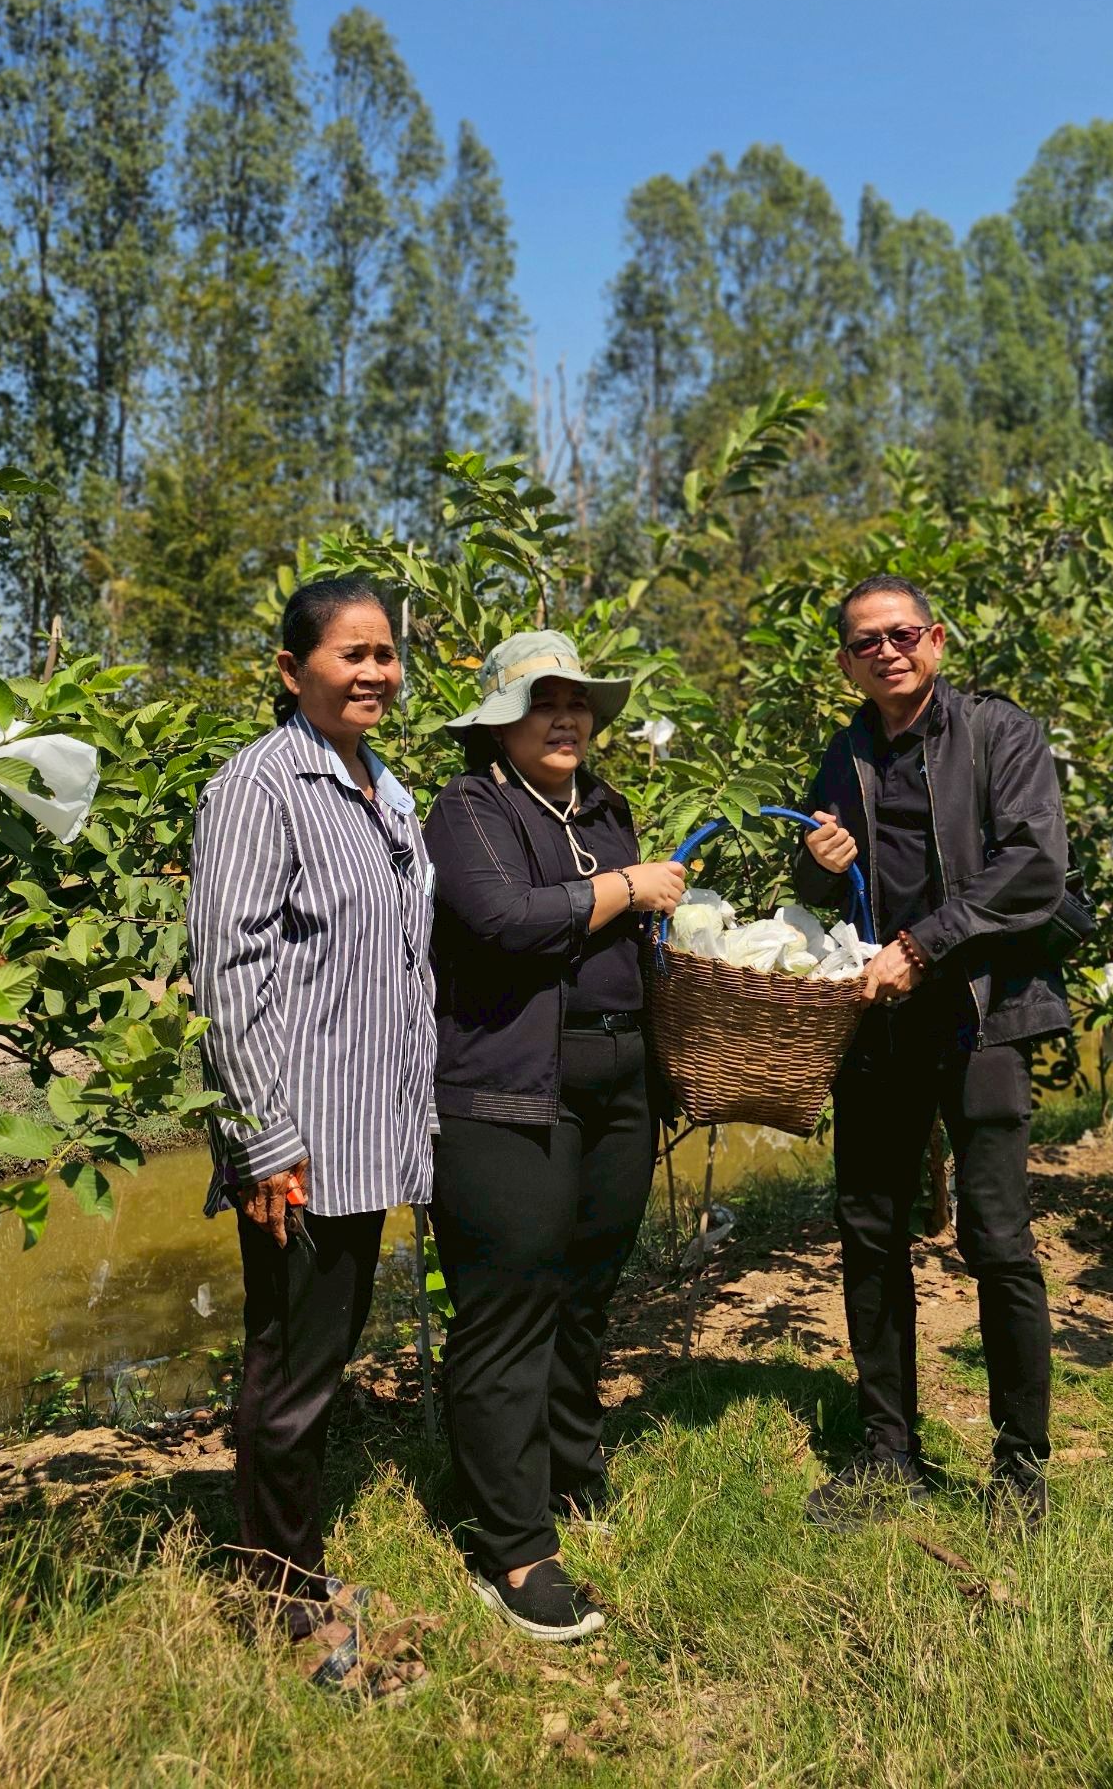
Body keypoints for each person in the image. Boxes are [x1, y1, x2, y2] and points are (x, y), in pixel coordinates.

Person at [188, 575, 436, 1672]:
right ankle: (281, 1596)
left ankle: (287, 1563)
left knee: (313, 1353)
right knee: (292, 1368)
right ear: (293, 672)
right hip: (301, 1138)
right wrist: (262, 1138)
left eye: (386, 653)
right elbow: (229, 970)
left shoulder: (387, 789)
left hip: (370, 1124)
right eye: (352, 655)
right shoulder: (259, 787)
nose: (375, 672)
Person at [425, 630, 687, 1641]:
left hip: (617, 1089)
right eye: (544, 703)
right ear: (500, 723)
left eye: (578, 702)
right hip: (506, 1093)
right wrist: (631, 890)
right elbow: (503, 920)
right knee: (510, 1307)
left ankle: (570, 1474)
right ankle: (514, 1546)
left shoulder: (605, 810)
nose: (568, 717)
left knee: (584, 1294)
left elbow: (641, 932)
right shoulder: (471, 811)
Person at [793, 574, 1069, 1527]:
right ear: (845, 662)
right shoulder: (845, 753)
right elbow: (821, 886)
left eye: (901, 634)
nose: (886, 651)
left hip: (983, 1014)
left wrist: (925, 945)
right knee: (869, 1232)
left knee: (996, 1240)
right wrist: (816, 864)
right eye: (864, 642)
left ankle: (1020, 1466)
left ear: (936, 640)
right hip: (882, 1023)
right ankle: (886, 1453)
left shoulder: (999, 735)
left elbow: (1033, 864)